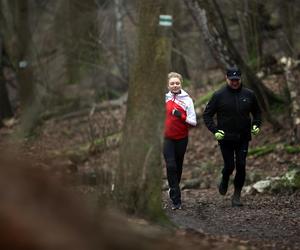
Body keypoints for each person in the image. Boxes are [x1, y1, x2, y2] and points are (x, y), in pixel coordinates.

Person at [203, 67, 261, 207]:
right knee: (229, 165)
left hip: (243, 137)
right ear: (226, 79)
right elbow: (207, 115)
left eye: (237, 80)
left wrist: (256, 125)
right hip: (225, 138)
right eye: (232, 80)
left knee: (241, 165)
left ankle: (236, 195)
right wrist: (215, 130)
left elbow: (257, 113)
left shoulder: (249, 94)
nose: (235, 82)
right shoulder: (218, 95)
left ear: (241, 79)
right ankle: (224, 177)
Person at [163, 72, 197, 210]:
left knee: (178, 167)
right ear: (168, 85)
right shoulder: (164, 99)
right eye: (172, 83)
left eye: (177, 83)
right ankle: (176, 199)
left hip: (182, 138)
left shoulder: (187, 100)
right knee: (170, 165)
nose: (175, 85)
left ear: (181, 84)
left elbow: (193, 121)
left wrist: (181, 116)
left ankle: (173, 188)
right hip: (166, 138)